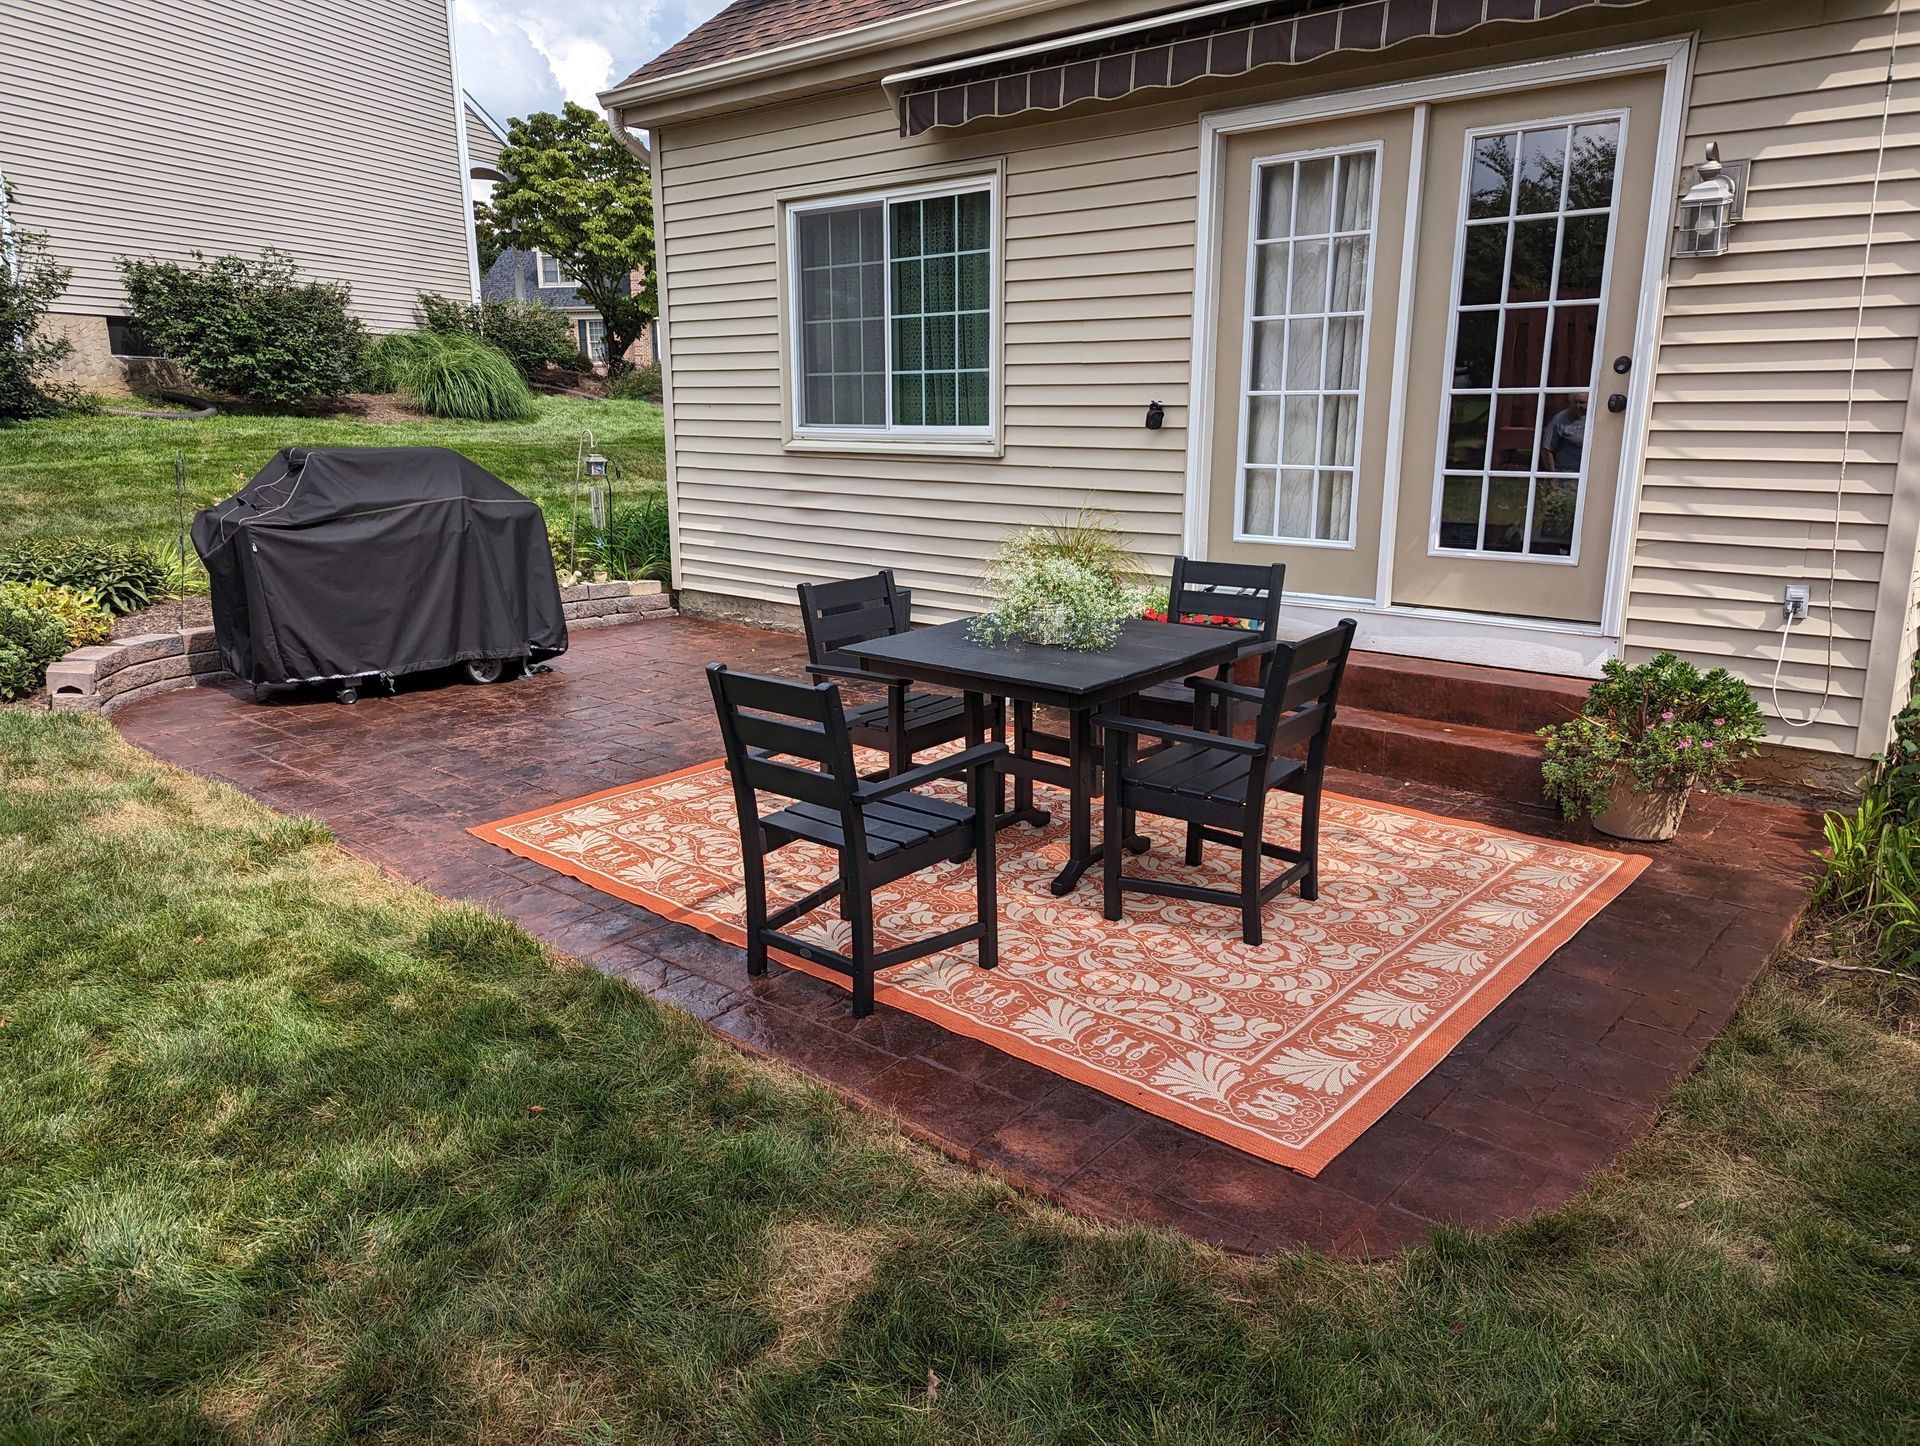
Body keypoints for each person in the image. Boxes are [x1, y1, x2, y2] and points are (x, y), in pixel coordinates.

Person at [1541, 392, 1589, 474]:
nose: (1578, 406)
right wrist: (1553, 477)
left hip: (1591, 472)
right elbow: (1547, 449)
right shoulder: (1560, 420)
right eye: (1575, 402)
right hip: (1568, 474)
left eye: (1582, 403)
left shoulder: (1595, 418)